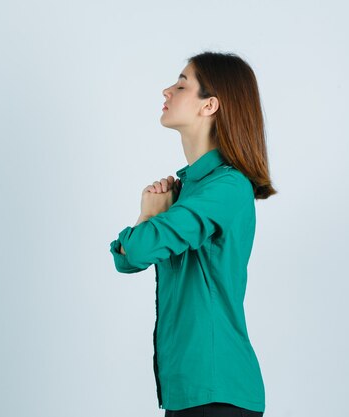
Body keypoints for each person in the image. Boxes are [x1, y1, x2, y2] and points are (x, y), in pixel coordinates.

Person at [109, 51, 277, 417]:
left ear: (210, 105)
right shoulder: (185, 190)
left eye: (182, 85)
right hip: (187, 391)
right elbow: (126, 259)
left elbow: (134, 252)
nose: (167, 90)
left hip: (217, 392)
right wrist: (146, 219)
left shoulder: (228, 187)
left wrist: (147, 218)